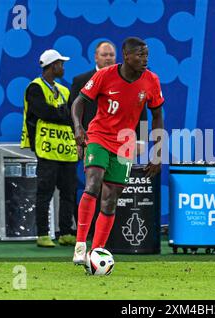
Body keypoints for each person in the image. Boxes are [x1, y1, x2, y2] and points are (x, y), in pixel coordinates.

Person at [70, 37, 164, 264]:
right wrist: (79, 128)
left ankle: (97, 252)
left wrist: (158, 152)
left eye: (146, 55)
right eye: (140, 55)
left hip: (124, 144)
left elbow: (158, 116)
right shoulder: (105, 75)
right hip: (99, 136)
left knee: (111, 199)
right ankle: (81, 245)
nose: (144, 59)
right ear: (126, 56)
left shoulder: (151, 80)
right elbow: (78, 103)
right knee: (93, 183)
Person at [68, 40, 148, 230]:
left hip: (121, 142)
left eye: (111, 55)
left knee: (111, 192)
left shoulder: (135, 79)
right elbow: (74, 108)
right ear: (95, 57)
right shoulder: (82, 80)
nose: (108, 58)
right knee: (91, 186)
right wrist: (79, 136)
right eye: (104, 55)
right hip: (92, 140)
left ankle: (103, 238)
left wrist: (141, 139)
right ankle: (82, 232)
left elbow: (142, 112)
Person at [20, 49, 78, 248]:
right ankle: (43, 233)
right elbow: (44, 112)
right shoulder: (34, 88)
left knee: (69, 191)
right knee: (44, 191)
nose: (63, 67)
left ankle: (66, 232)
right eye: (61, 64)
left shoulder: (65, 90)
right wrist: (61, 113)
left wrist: (60, 113)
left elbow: (71, 116)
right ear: (53, 66)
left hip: (67, 148)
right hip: (46, 148)